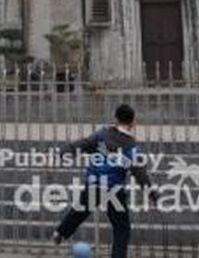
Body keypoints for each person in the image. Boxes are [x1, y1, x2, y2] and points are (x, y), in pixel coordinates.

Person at [52, 103, 155, 258]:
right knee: (121, 228)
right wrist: (152, 194)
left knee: (80, 210)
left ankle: (60, 233)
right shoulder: (132, 147)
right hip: (113, 189)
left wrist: (57, 154)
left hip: (94, 183)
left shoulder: (102, 135)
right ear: (133, 123)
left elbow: (79, 145)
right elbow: (141, 175)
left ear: (115, 119)